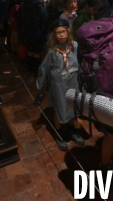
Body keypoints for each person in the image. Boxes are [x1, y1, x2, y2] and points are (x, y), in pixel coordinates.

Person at [36, 19, 84, 151]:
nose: (61, 35)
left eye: (63, 32)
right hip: (58, 83)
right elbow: (44, 68)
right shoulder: (52, 50)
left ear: (68, 32)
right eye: (58, 33)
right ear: (53, 35)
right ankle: (60, 134)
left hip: (73, 81)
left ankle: (73, 131)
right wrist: (40, 86)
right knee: (59, 107)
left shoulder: (74, 45)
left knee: (73, 106)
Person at [17, 0, 49, 72]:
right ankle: (36, 70)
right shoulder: (40, 3)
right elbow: (45, 19)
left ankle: (30, 67)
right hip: (38, 31)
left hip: (27, 30)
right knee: (37, 51)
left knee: (30, 49)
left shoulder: (24, 3)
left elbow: (19, 18)